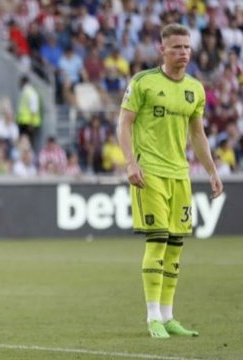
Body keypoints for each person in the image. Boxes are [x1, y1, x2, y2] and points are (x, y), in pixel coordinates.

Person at [117, 23, 223, 339]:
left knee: (176, 246)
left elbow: (197, 134)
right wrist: (130, 163)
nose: (183, 52)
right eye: (176, 47)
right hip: (150, 173)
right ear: (162, 50)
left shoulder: (195, 89)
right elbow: (124, 124)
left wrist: (212, 170)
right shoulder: (143, 82)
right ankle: (152, 318)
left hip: (180, 175)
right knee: (158, 239)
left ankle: (168, 316)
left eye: (187, 47)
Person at [16, 75, 41, 151]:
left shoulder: (31, 93)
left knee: (28, 142)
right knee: (24, 141)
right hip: (23, 121)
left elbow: (34, 108)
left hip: (28, 122)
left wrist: (31, 123)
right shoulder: (25, 92)